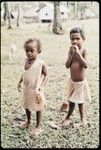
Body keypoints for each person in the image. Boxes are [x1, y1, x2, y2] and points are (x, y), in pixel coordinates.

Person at [17, 38, 48, 135]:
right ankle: (28, 121)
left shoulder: (40, 63)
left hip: (36, 90)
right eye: (27, 51)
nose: (29, 53)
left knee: (38, 107)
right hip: (27, 89)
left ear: (38, 51)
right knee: (27, 105)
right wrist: (19, 81)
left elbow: (46, 75)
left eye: (32, 51)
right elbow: (25, 73)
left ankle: (38, 126)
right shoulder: (26, 61)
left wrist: (41, 87)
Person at [62, 27, 91, 128]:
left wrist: (78, 53)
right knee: (79, 102)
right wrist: (72, 54)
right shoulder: (70, 51)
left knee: (73, 102)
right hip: (72, 82)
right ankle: (83, 119)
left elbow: (86, 65)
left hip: (80, 83)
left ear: (83, 38)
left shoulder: (84, 50)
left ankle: (68, 117)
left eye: (77, 38)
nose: (75, 41)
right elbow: (67, 65)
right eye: (72, 39)